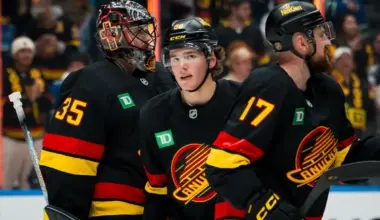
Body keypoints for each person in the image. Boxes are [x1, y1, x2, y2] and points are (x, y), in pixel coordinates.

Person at [205, 1, 380, 220]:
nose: (329, 42)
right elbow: (222, 164)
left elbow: (341, 153)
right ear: (301, 43)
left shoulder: (328, 88)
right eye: (322, 34)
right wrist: (264, 204)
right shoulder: (269, 87)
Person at [39, 1, 175, 220]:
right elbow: (68, 161)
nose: (147, 37)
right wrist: (66, 212)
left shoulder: (162, 76)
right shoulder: (90, 83)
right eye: (137, 30)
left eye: (147, 29)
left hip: (166, 209)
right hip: (115, 211)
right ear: (111, 35)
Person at [140, 17, 245, 220]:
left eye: (190, 56)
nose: (181, 66)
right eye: (175, 58)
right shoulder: (153, 113)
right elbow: (156, 192)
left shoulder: (243, 101)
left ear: (211, 59)